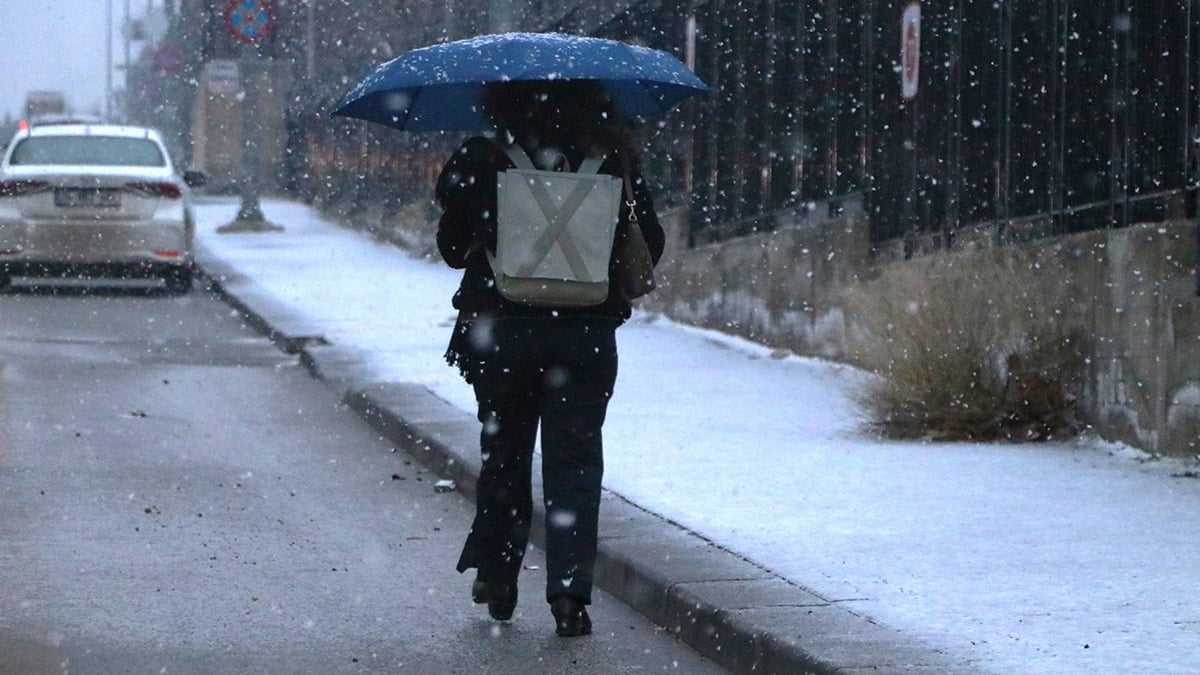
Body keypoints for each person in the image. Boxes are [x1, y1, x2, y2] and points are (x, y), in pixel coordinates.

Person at [434, 80, 665, 637]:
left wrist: (493, 229)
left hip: (503, 331)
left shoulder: (484, 155)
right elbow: (648, 244)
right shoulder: (613, 157)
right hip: (584, 334)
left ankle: (498, 573)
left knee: (505, 452)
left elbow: (450, 248)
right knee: (577, 463)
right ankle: (569, 595)